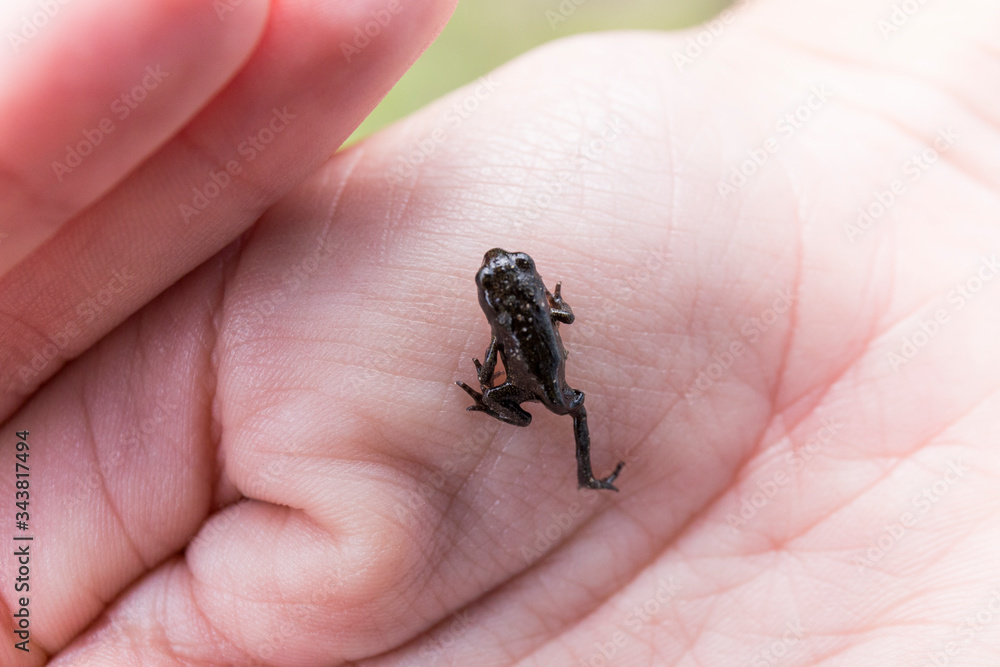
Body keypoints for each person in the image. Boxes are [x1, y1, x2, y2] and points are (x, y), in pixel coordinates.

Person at [3, 0, 999, 663]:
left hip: (540, 377)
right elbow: (517, 327)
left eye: (505, 276)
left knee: (558, 400)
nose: (505, 278)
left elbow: (521, 326)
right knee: (552, 398)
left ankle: (582, 465)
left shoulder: (514, 314)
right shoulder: (511, 313)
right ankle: (574, 458)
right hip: (536, 375)